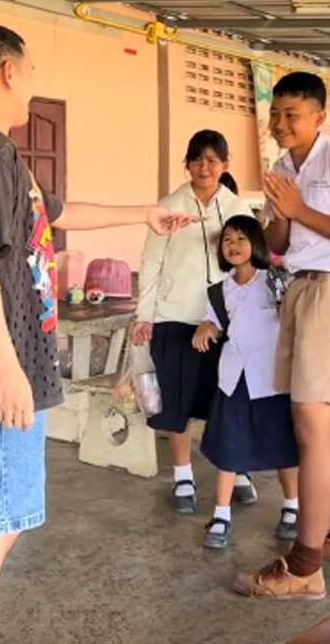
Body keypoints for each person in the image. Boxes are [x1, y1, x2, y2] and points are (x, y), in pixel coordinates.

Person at [0, 23, 199, 644]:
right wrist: (10, 370)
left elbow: (56, 213)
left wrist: (144, 214)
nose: (32, 88)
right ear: (9, 72)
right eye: (32, 72)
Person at [234, 71, 330, 601]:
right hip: (297, 289)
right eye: (275, 113)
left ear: (319, 117)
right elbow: (278, 242)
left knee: (312, 424)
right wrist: (273, 216)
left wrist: (301, 210)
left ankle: (304, 566)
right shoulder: (279, 168)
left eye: (291, 114)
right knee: (322, 421)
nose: (279, 123)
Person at [128, 130, 255, 516]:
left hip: (224, 321)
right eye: (197, 159)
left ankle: (236, 467)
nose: (205, 166)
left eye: (213, 160)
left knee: (227, 399)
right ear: (187, 164)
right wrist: (145, 314)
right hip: (174, 316)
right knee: (176, 400)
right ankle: (182, 474)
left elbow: (250, 262)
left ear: (225, 165)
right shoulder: (168, 206)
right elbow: (151, 262)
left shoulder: (237, 209)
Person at [193, 215, 299, 550]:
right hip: (234, 380)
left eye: (241, 238)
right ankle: (221, 515)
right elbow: (212, 321)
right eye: (227, 240)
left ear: (256, 243)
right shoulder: (218, 291)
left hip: (271, 378)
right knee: (230, 447)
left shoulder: (275, 281)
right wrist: (205, 328)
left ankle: (292, 507)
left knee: (284, 447)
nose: (234, 245)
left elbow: (292, 317)